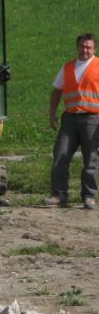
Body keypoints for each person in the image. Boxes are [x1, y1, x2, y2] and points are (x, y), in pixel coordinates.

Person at [44, 33, 99, 210]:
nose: (85, 50)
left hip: (93, 119)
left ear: (94, 48)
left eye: (88, 47)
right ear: (77, 47)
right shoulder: (68, 67)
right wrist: (52, 114)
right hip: (70, 119)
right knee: (60, 155)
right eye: (82, 46)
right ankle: (59, 195)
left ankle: (88, 197)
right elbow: (56, 91)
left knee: (91, 160)